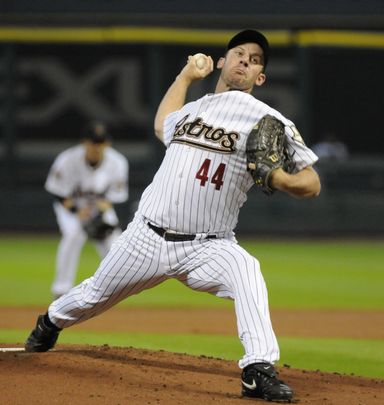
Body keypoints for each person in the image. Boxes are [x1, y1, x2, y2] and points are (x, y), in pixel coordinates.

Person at [25, 30, 320, 403]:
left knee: (247, 271)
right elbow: (161, 123)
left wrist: (282, 178)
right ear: (221, 62)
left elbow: (312, 182)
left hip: (208, 246)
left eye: (255, 59)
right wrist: (185, 77)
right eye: (238, 53)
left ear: (260, 78)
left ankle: (257, 369)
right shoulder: (193, 110)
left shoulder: (268, 119)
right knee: (94, 294)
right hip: (145, 239)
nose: (245, 59)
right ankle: (50, 322)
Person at [44, 121, 129, 299]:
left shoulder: (118, 162)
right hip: (71, 206)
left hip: (99, 206)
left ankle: (115, 288)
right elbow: (57, 193)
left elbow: (115, 197)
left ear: (107, 144)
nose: (96, 147)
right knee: (74, 234)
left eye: (100, 143)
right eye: (93, 142)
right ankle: (61, 289)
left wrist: (98, 211)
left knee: (115, 242)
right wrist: (76, 211)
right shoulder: (67, 159)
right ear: (84, 142)